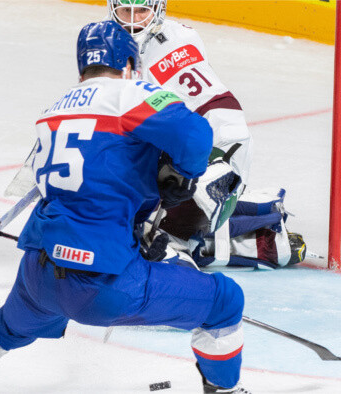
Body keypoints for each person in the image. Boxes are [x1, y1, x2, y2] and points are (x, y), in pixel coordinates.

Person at [0, 20, 250, 394]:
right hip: (103, 283)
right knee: (224, 300)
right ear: (127, 64)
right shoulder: (131, 93)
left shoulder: (51, 111)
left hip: (40, 272)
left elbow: (97, 182)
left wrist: (136, 229)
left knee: (9, 325)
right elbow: (196, 134)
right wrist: (181, 179)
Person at [107, 0, 306, 269]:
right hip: (199, 148)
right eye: (125, 11)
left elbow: (202, 118)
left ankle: (252, 232)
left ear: (158, 9)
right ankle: (252, 221)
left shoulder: (157, 46)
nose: (133, 21)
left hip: (215, 154)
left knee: (144, 239)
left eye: (141, 11)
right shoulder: (170, 34)